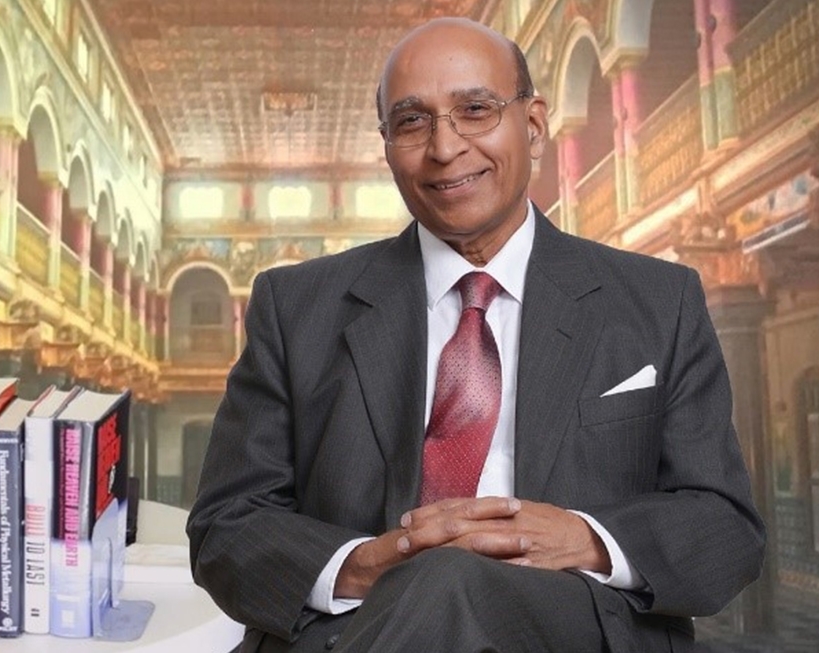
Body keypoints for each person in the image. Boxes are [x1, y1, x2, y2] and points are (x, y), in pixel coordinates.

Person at [187, 17, 763, 652]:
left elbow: (725, 526)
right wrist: (360, 566)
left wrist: (586, 537)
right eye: (412, 122)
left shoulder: (659, 301)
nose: (444, 147)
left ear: (535, 125)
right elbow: (225, 527)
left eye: (475, 110)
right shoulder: (295, 307)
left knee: (452, 579)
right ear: (386, 147)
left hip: (575, 623)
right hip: (356, 624)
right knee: (439, 581)